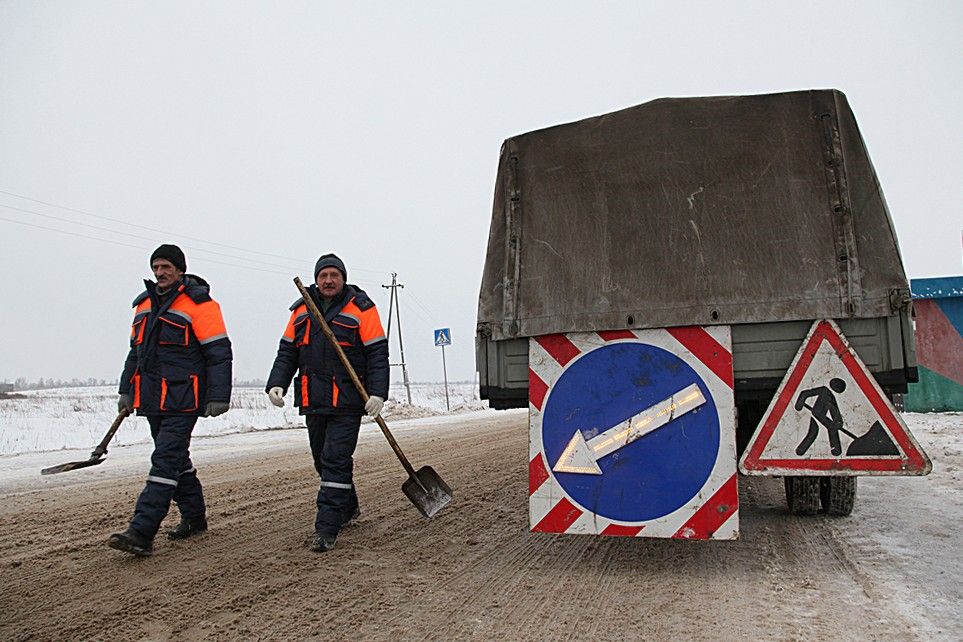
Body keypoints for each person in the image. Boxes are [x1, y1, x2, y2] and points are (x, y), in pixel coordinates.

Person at [108, 244, 233, 557]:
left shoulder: (200, 304)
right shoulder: (143, 306)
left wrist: (218, 396)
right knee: (176, 460)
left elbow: (219, 353)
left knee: (164, 460)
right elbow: (134, 354)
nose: (160, 272)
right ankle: (194, 517)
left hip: (183, 398)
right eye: (156, 267)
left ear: (180, 270)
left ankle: (141, 531)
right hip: (152, 398)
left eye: (166, 267)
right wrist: (127, 391)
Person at [266, 253, 388, 552]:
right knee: (322, 460)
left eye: (334, 275)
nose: (329, 280)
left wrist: (378, 393)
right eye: (324, 275)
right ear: (317, 279)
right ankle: (348, 506)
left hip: (347, 400)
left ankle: (326, 527)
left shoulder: (362, 309)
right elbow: (287, 353)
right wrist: (276, 383)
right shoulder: (301, 310)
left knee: (335, 460)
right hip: (314, 398)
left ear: (343, 278)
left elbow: (377, 355)